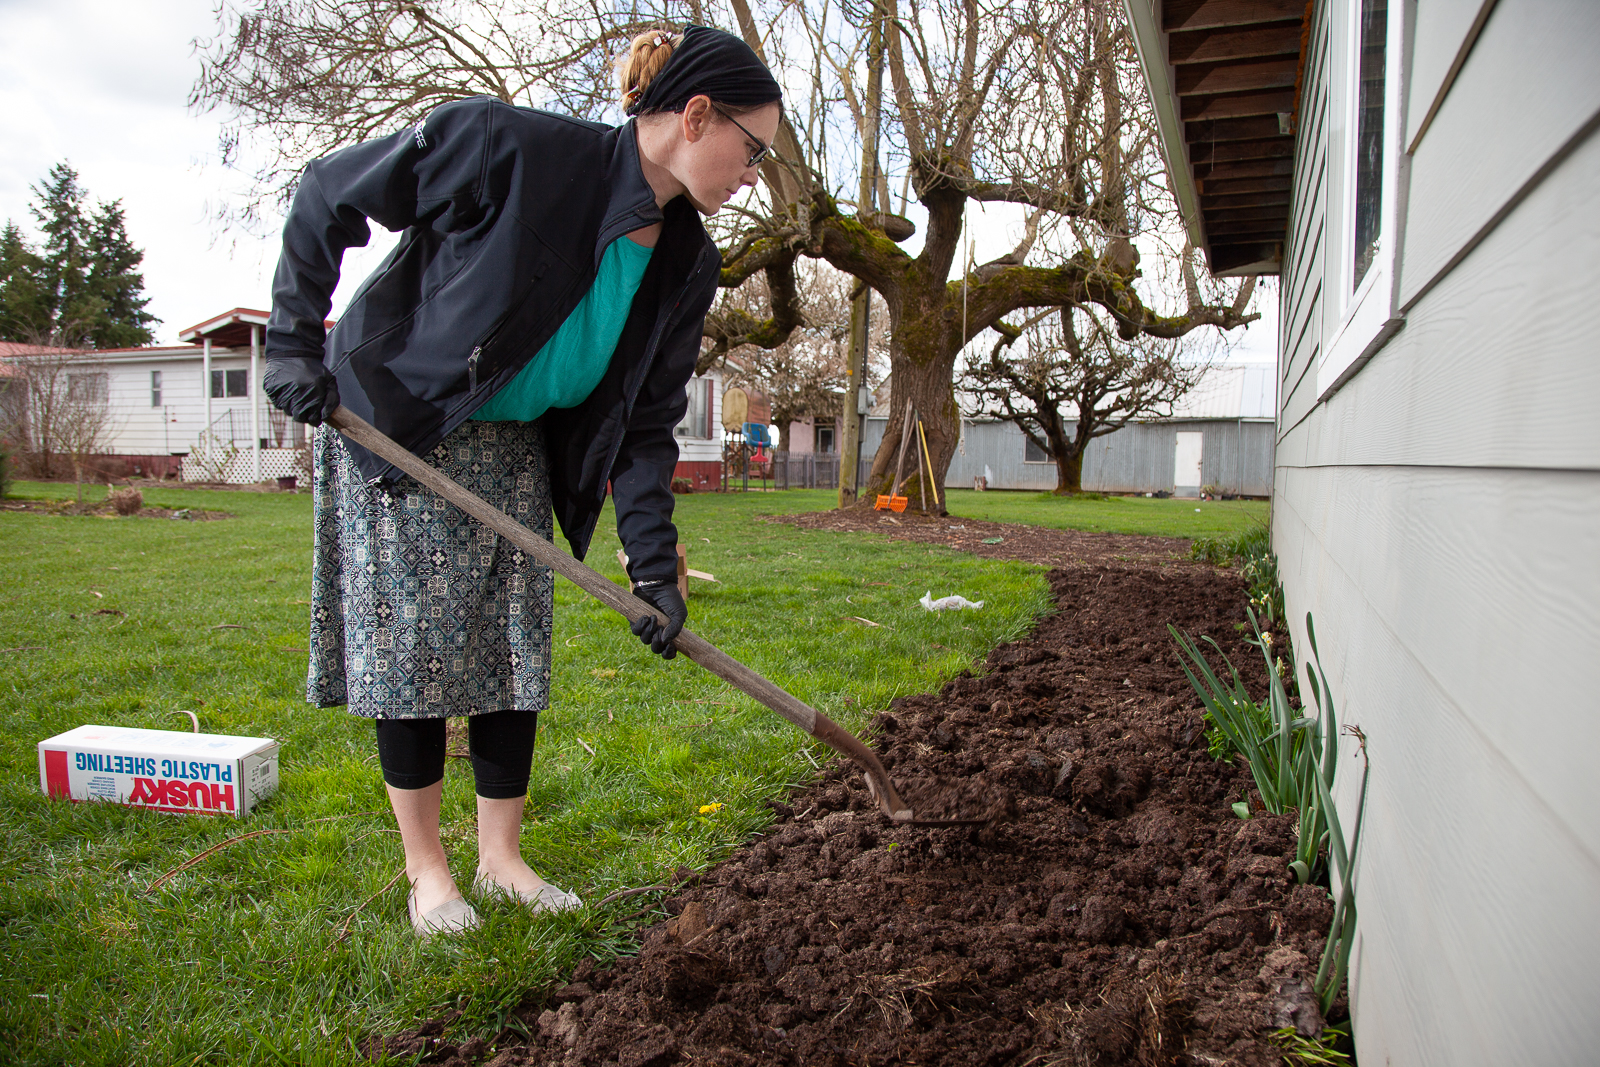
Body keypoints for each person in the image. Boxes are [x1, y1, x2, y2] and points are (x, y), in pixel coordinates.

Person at [262, 25, 783, 937]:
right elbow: (327, 194)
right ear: (697, 116)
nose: (756, 172)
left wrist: (653, 566)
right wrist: (293, 342)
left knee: (510, 641)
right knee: (417, 650)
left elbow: (646, 421)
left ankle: (501, 860)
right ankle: (429, 870)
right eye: (754, 147)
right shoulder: (508, 147)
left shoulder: (687, 260)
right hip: (407, 421)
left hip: (518, 439)